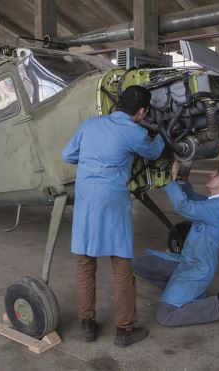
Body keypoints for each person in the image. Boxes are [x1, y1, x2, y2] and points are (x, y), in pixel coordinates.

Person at [61, 85, 164, 347]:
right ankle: (124, 330)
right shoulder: (134, 131)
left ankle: (87, 325)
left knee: (85, 263)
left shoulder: (90, 124)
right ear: (141, 112)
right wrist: (163, 132)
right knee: (121, 267)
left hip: (85, 201)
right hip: (111, 201)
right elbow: (154, 152)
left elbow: (67, 155)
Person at [131, 162, 219, 329]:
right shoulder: (212, 202)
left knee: (165, 316)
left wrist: (169, 179)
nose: (211, 174)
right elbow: (190, 195)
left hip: (197, 268)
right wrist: (181, 176)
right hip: (185, 261)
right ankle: (186, 294)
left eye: (217, 174)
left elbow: (184, 206)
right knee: (140, 265)